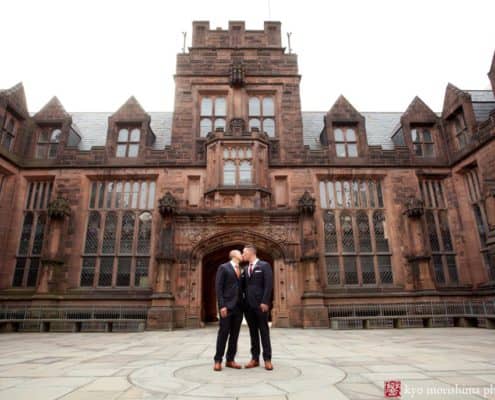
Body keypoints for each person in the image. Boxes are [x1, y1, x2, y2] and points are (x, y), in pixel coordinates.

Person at [242, 244, 274, 371]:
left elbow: (268, 285)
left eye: (244, 253)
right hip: (248, 306)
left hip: (261, 305)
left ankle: (267, 359)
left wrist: (265, 301)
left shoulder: (264, 266)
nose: (243, 255)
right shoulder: (245, 268)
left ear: (251, 253)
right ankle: (254, 358)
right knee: (253, 333)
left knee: (264, 332)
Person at [213, 249, 244, 371]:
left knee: (234, 335)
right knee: (223, 333)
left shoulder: (241, 269)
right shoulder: (223, 267)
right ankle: (218, 360)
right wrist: (222, 306)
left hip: (239, 307)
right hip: (227, 307)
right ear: (234, 255)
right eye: (240, 253)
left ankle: (230, 360)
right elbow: (219, 288)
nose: (242, 255)